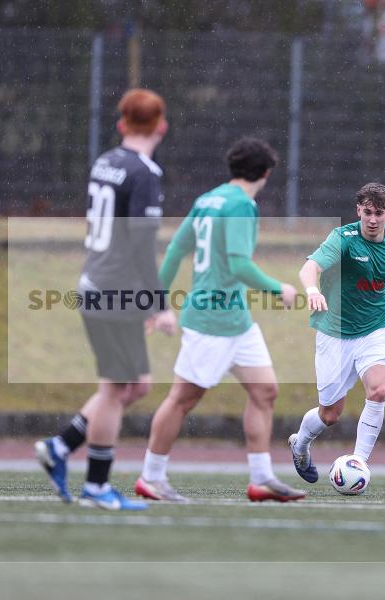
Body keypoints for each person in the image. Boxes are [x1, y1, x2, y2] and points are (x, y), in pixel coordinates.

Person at [133, 137, 305, 503]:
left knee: (264, 390)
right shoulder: (242, 206)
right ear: (266, 173)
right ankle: (151, 477)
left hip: (237, 321)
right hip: (212, 320)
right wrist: (279, 289)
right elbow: (239, 264)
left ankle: (261, 479)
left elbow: (177, 250)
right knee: (183, 399)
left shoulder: (207, 199)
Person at [34, 88, 177, 511]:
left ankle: (61, 447)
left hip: (97, 283)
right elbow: (140, 248)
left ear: (121, 124)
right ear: (161, 126)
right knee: (117, 389)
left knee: (135, 385)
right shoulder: (144, 172)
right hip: (115, 290)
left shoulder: (106, 161)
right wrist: (160, 306)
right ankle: (97, 486)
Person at [288, 182, 385, 483]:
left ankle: (358, 463)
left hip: (375, 328)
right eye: (367, 212)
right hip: (334, 332)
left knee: (378, 390)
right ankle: (300, 444)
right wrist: (312, 290)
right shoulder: (344, 239)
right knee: (330, 415)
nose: (373, 219)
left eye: (379, 213)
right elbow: (309, 267)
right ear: (358, 211)